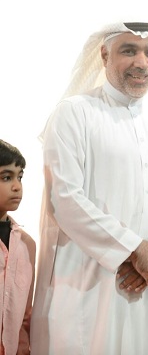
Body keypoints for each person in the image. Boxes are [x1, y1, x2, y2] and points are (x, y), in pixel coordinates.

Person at [31, 22, 148, 354]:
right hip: (85, 288)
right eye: (129, 50)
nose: (142, 62)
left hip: (147, 285)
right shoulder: (74, 114)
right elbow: (64, 199)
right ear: (104, 55)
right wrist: (134, 249)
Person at [0, 140, 36, 355]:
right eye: (6, 177)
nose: (17, 186)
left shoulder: (26, 245)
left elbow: (25, 317)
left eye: (19, 177)